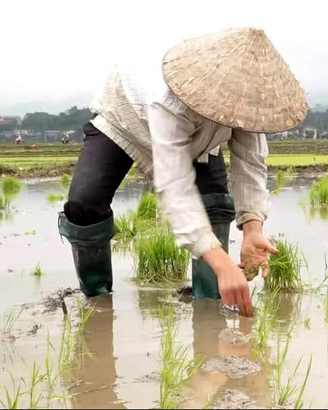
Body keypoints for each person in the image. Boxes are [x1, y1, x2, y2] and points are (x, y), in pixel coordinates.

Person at [57, 28, 308, 316]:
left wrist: (253, 228)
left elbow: (250, 163)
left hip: (200, 138)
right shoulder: (167, 98)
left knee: (215, 205)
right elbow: (174, 185)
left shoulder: (248, 101)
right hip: (125, 121)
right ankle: (97, 298)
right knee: (84, 203)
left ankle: (209, 305)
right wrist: (225, 264)